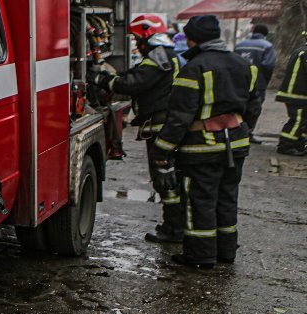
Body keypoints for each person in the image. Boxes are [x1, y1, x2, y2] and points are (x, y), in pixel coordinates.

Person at [152, 14, 262, 268]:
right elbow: (254, 106)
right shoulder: (244, 65)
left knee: (201, 199)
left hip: (202, 147)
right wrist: (241, 131)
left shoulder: (193, 69)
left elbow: (179, 117)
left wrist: (162, 149)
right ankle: (226, 251)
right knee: (227, 196)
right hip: (235, 145)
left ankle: (200, 255)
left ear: (193, 40)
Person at [93, 14, 183, 243]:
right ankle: (175, 226)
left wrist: (103, 80)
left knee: (164, 178)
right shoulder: (165, 55)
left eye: (137, 39)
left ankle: (174, 229)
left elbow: (134, 83)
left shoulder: (158, 56)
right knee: (167, 177)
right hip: (163, 123)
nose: (137, 44)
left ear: (146, 35)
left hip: (161, 126)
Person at [234, 24, 276, 143]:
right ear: (265, 34)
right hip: (258, 82)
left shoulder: (240, 45)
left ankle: (236, 131)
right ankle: (247, 133)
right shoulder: (267, 46)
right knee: (254, 108)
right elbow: (269, 65)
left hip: (238, 82)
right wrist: (266, 80)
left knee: (239, 106)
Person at [276, 29, 307, 156]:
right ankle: (286, 145)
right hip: (297, 95)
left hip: (295, 94)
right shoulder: (305, 53)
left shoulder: (301, 51)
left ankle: (298, 144)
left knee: (302, 120)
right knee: (298, 120)